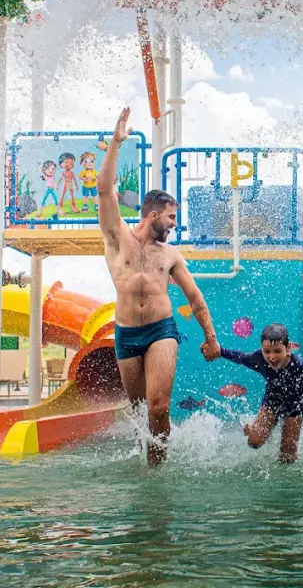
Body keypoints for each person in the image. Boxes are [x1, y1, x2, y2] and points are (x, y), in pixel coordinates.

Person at [99, 107, 221, 465]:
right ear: (153, 214)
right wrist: (116, 144)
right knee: (139, 410)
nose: (173, 224)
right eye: (171, 217)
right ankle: (150, 456)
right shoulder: (117, 237)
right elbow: (106, 191)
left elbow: (194, 297)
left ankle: (159, 466)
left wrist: (210, 336)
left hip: (160, 330)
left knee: (158, 404)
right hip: (125, 333)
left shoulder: (170, 254)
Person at [209, 323, 303, 464]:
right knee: (254, 443)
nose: (272, 357)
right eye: (267, 351)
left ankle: (266, 428)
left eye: (277, 351)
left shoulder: (300, 367)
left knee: (287, 457)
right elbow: (240, 357)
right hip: (272, 401)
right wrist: (220, 351)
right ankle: (260, 427)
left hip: (295, 406)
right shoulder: (259, 359)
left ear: (288, 348)